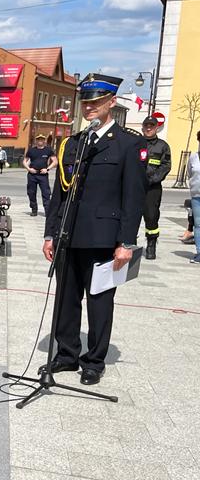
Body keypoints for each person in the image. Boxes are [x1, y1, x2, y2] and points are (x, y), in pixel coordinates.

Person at [43, 73, 146, 385]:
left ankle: (94, 360)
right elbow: (59, 195)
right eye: (85, 102)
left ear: (111, 102)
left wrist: (126, 242)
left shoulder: (128, 144)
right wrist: (50, 233)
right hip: (68, 235)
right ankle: (66, 354)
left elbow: (133, 198)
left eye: (96, 102)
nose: (89, 107)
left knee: (100, 302)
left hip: (103, 238)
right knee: (65, 299)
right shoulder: (73, 143)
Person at [140, 115, 172, 260]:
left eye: (151, 126)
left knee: (151, 216)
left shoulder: (163, 146)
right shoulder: (136, 143)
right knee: (129, 215)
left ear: (156, 128)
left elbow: (165, 166)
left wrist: (152, 179)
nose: (148, 128)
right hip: (135, 186)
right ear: (142, 128)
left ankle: (151, 244)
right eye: (146, 126)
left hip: (152, 187)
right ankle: (127, 243)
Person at [23, 134, 56, 216]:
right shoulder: (31, 150)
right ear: (36, 140)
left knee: (46, 193)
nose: (40, 141)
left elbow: (55, 161)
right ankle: (34, 210)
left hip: (43, 175)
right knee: (31, 192)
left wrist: (47, 169)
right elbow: (24, 161)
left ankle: (47, 211)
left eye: (42, 139)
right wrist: (29, 169)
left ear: (44, 140)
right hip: (32, 175)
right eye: (38, 139)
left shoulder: (48, 150)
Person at [188, 139, 200, 264]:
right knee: (198, 224)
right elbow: (190, 174)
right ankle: (199, 252)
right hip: (197, 195)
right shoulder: (193, 157)